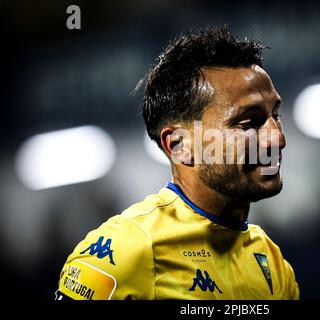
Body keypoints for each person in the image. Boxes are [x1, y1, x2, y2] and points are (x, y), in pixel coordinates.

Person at [55, 26, 300, 300]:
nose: (277, 138)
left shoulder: (270, 260)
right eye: (248, 123)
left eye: (275, 115)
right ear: (180, 145)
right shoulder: (124, 250)